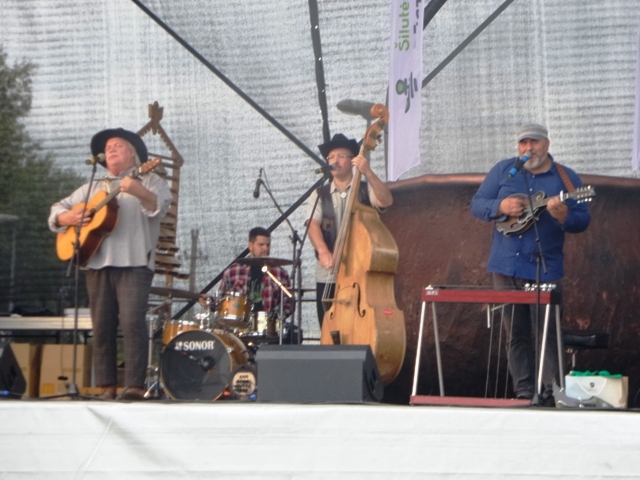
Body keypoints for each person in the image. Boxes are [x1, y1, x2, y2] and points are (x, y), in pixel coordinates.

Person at [470, 123, 590, 403]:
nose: (528, 148)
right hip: (505, 265)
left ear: (546, 144)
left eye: (534, 142)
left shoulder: (566, 178)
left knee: (547, 333)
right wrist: (500, 207)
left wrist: (563, 215)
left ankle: (551, 393)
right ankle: (523, 392)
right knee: (515, 333)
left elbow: (582, 219)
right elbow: (477, 203)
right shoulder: (504, 170)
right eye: (523, 143)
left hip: (544, 265)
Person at [49, 128, 171, 401]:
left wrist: (138, 191)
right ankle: (106, 387)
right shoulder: (92, 187)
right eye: (108, 147)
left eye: (118, 145)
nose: (111, 149)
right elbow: (57, 210)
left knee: (131, 323)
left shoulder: (151, 179)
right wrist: (68, 218)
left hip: (134, 262)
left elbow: (159, 207)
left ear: (133, 153)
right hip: (96, 263)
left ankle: (134, 386)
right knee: (101, 327)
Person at [306, 133, 393, 327]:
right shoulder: (319, 193)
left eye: (340, 156)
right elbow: (312, 224)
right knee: (327, 326)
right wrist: (323, 250)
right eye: (331, 157)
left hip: (361, 271)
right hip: (328, 274)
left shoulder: (365, 188)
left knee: (360, 326)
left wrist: (368, 172)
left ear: (353, 160)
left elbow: (386, 200)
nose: (334, 161)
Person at [200, 227, 293, 321]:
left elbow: (289, 302)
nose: (265, 248)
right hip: (239, 325)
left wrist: (274, 318)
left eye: (268, 245)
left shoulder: (280, 273)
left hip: (268, 326)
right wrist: (209, 302)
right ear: (250, 246)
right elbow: (221, 301)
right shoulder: (233, 271)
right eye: (261, 245)